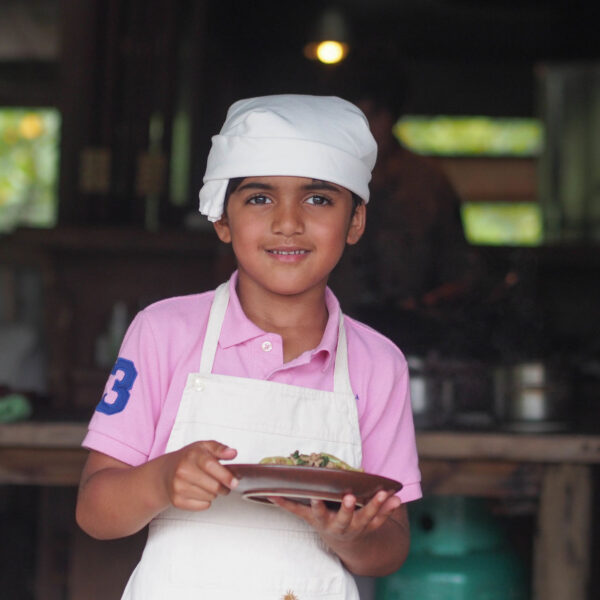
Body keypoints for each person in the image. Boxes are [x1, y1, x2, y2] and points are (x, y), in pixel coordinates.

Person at [75, 94, 422, 599]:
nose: (288, 222)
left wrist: (352, 536)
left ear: (355, 222)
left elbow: (391, 546)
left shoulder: (378, 363)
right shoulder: (164, 331)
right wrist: (161, 480)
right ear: (221, 219)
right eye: (260, 198)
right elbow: (94, 510)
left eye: (318, 198)